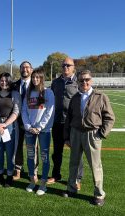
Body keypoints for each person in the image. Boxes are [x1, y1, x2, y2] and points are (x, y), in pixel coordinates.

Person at [62, 70, 115, 206]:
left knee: (95, 166)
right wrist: (67, 136)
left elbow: (110, 117)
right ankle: (72, 188)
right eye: (81, 80)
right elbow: (69, 119)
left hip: (92, 134)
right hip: (75, 133)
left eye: (87, 79)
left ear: (91, 80)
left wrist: (101, 133)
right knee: (74, 163)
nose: (84, 82)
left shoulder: (100, 96)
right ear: (78, 82)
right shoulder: (75, 97)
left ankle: (99, 194)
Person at [48, 57, 84, 188]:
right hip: (57, 122)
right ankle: (56, 174)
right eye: (63, 65)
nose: (65, 67)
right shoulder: (56, 82)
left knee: (76, 152)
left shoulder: (78, 82)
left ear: (73, 67)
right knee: (57, 151)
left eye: (68, 65)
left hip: (72, 123)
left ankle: (77, 179)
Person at [22, 69, 55, 195]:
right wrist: (28, 125)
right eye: (33, 77)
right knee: (31, 155)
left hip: (44, 130)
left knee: (44, 156)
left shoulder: (48, 92)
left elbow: (49, 113)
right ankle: (32, 180)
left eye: (38, 77)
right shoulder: (28, 93)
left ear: (41, 78)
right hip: (30, 130)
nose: (35, 79)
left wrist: (40, 127)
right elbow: (24, 110)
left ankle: (43, 184)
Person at [0, 72, 21, 187]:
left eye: (6, 81)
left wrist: (5, 124)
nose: (3, 83)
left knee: (10, 152)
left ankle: (9, 176)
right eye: (2, 80)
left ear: (10, 82)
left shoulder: (15, 94)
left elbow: (16, 111)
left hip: (10, 126)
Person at [12, 61, 39, 182]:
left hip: (32, 123)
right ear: (20, 69)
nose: (25, 69)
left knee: (32, 147)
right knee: (17, 146)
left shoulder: (36, 86)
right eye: (23, 67)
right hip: (16, 122)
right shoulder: (14, 85)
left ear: (31, 70)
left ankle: (33, 171)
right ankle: (18, 169)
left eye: (27, 67)